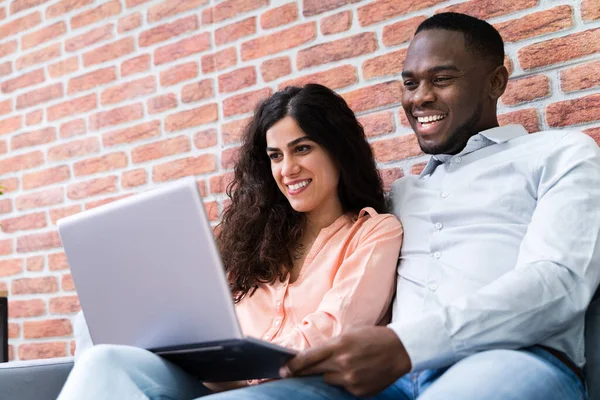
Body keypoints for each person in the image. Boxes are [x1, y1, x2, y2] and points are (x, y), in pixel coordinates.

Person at [203, 12, 600, 400]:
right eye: (410, 83)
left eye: (442, 79)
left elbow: (558, 281)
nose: (421, 97)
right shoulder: (399, 197)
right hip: (390, 378)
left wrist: (405, 343)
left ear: (496, 81)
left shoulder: (560, 155)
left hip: (513, 358)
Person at [57, 84, 403, 399]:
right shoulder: (252, 241)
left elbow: (333, 331)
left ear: (338, 151)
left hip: (305, 388)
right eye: (276, 156)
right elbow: (206, 323)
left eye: (302, 149)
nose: (287, 169)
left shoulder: (374, 232)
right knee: (103, 358)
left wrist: (243, 372)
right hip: (219, 383)